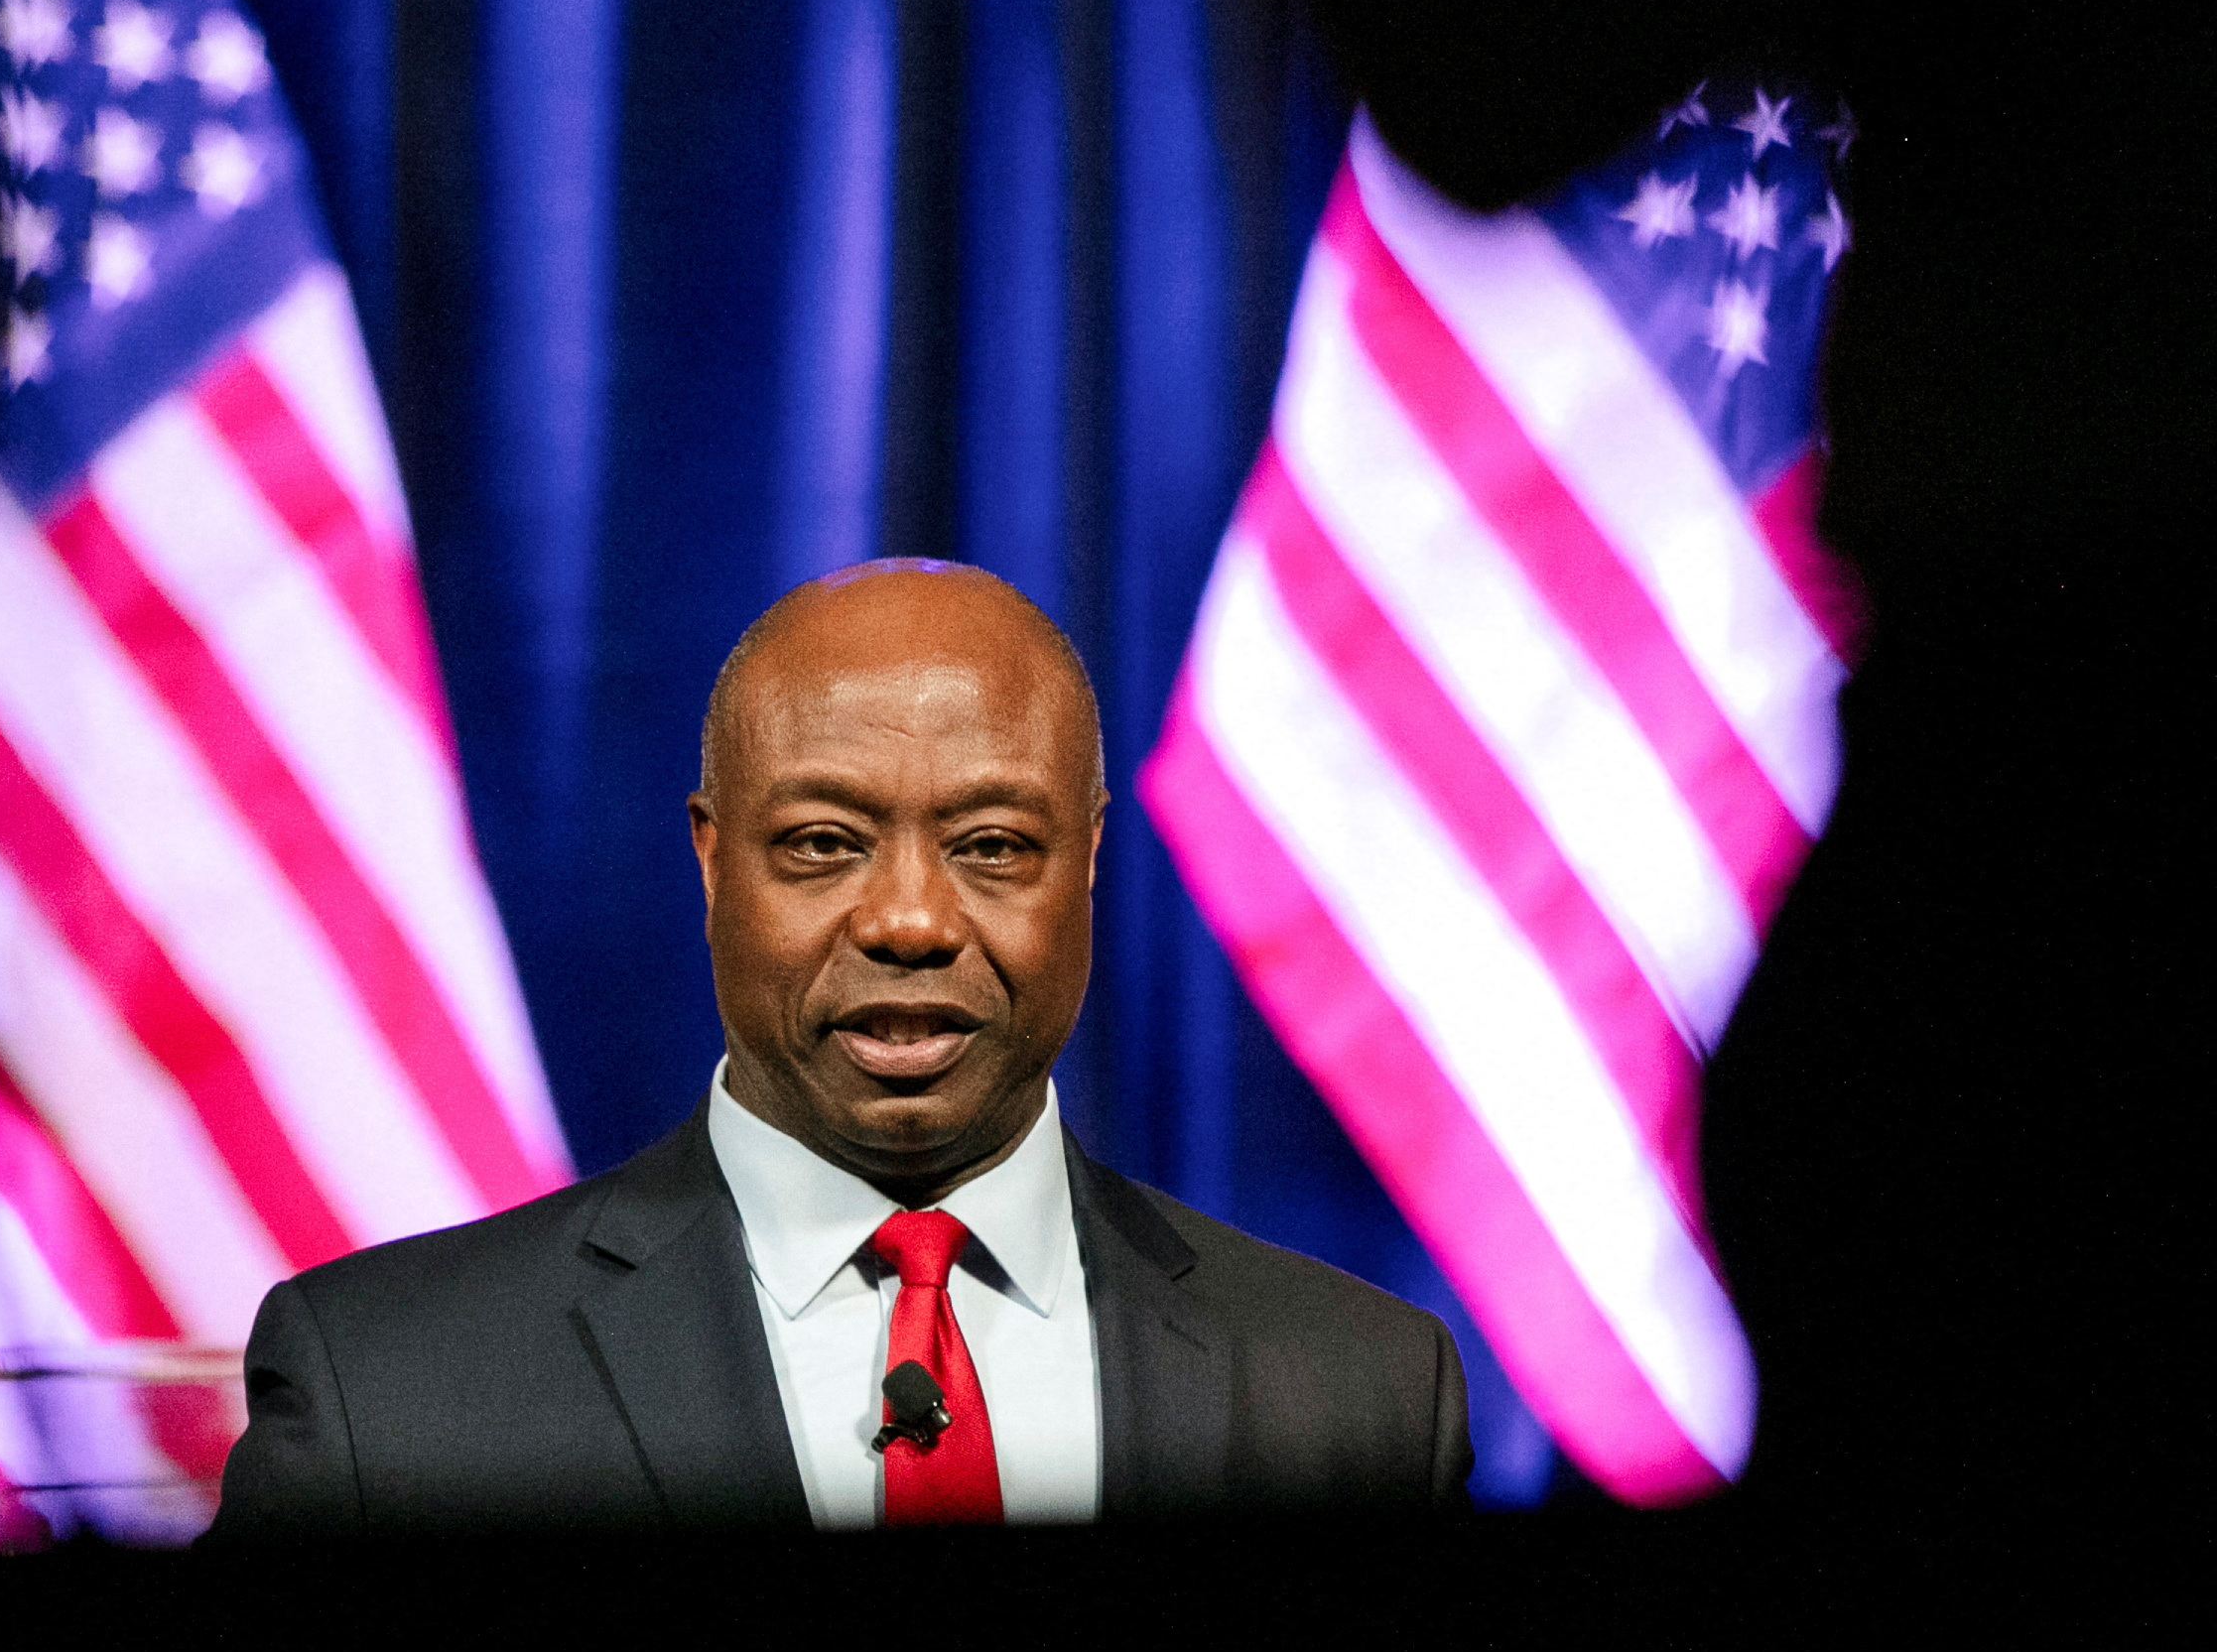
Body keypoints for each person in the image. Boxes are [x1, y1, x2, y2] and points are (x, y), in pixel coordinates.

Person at [207, 560, 1471, 1532]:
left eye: (992, 846)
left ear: (1087, 863)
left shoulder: (1360, 1398)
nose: (911, 920)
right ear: (711, 857)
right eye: (821, 842)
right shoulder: (389, 1394)